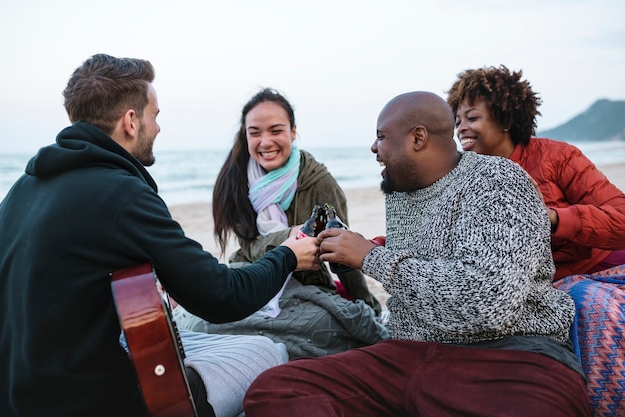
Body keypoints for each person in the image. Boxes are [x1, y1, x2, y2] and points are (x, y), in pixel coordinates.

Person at [0, 54, 321, 417]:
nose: (158, 128)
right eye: (155, 115)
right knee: (265, 350)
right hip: (91, 402)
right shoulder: (121, 193)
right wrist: (289, 254)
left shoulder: (20, 190)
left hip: (18, 396)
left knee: (185, 341)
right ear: (131, 121)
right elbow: (224, 297)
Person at [242, 91, 591, 417]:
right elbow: (420, 274)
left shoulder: (497, 180)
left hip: (509, 357)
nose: (373, 148)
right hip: (408, 356)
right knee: (275, 390)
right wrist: (359, 249)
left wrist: (370, 257)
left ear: (418, 138)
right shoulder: (402, 195)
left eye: (381, 136)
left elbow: (488, 305)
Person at [447, 65, 625, 416]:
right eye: (456, 120)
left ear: (505, 118)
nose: (461, 128)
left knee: (590, 306)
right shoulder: (460, 179)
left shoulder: (558, 157)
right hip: (537, 288)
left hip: (601, 266)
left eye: (472, 117)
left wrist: (556, 218)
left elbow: (620, 216)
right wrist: (365, 245)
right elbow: (432, 236)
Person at [173, 88, 388, 359]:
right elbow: (249, 248)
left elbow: (342, 253)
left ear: (293, 132)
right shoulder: (236, 179)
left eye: (275, 131)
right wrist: (291, 239)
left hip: (306, 284)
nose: (265, 142)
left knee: (335, 329)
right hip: (253, 276)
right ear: (245, 135)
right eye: (255, 133)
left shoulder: (319, 181)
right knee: (196, 323)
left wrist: (367, 303)